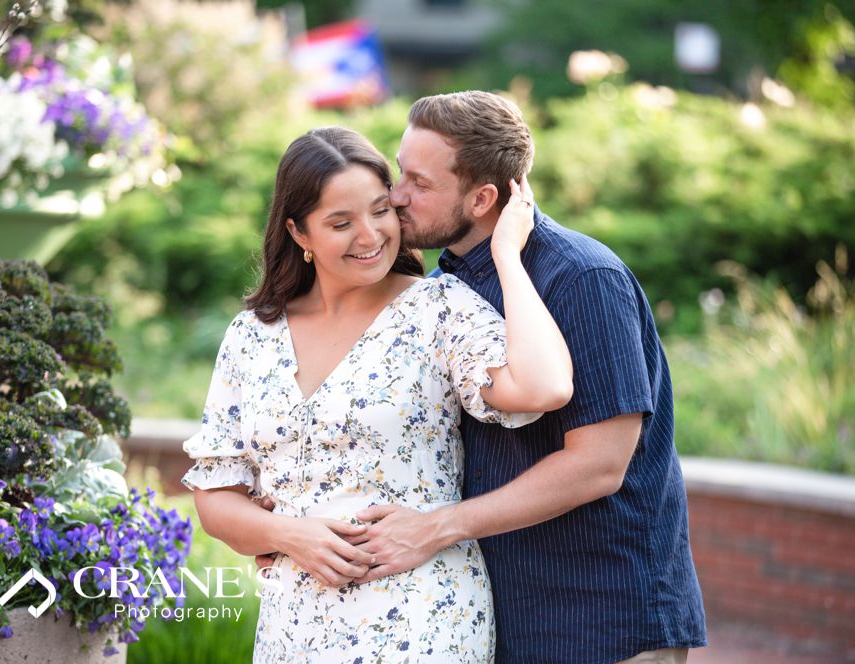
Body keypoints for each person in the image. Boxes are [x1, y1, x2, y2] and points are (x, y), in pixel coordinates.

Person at [184, 126, 573, 662]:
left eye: (380, 211)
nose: (369, 236)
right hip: (291, 624)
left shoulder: (438, 308)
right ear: (299, 233)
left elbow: (545, 386)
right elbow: (215, 498)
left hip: (422, 614)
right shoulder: (253, 333)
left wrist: (507, 253)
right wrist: (290, 534)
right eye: (340, 223)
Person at [347, 91, 708, 663]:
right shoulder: (452, 282)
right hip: (508, 616)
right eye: (399, 173)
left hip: (603, 621)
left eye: (419, 182)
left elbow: (599, 465)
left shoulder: (583, 279)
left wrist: (438, 527)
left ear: (483, 198)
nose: (396, 197)